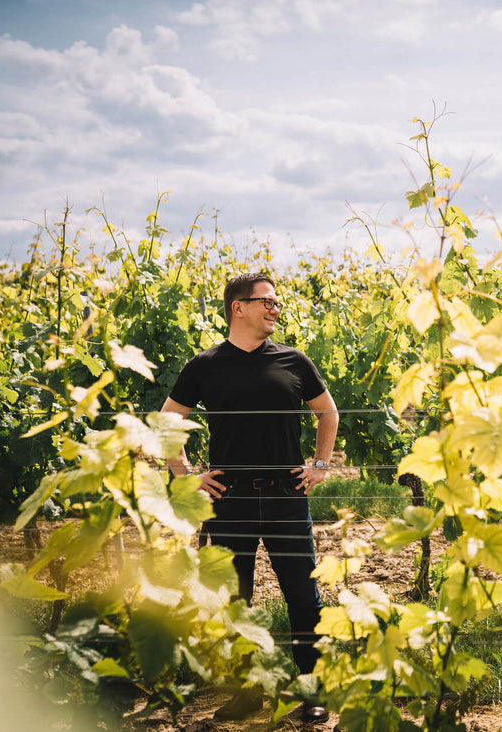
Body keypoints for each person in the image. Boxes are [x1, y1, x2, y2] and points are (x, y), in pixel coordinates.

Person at [161, 272, 339, 724]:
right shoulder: (204, 366)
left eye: (277, 302)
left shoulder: (294, 361)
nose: (275, 308)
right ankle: (246, 692)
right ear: (237, 307)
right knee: (234, 599)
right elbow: (167, 420)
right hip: (228, 501)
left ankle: (311, 692)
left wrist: (319, 465)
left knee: (303, 594)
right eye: (267, 302)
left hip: (287, 498)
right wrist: (185, 476)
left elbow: (328, 412)